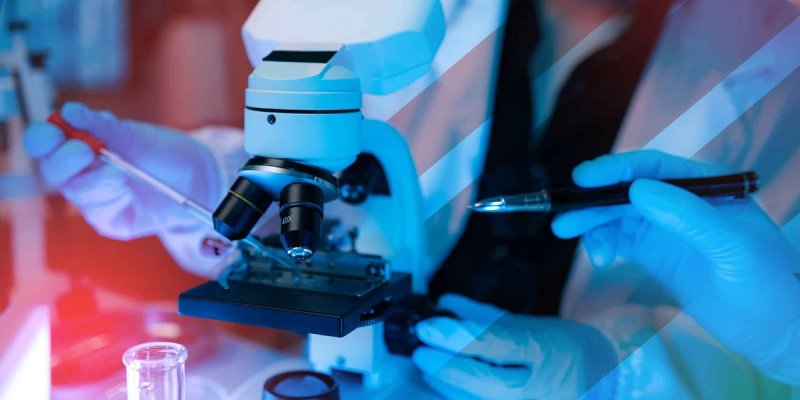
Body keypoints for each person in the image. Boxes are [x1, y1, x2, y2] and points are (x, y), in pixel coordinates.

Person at [23, 0, 800, 398]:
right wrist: (203, 188)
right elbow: (348, 177)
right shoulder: (427, 16)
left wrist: (616, 372)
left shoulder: (778, 62)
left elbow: (778, 350)